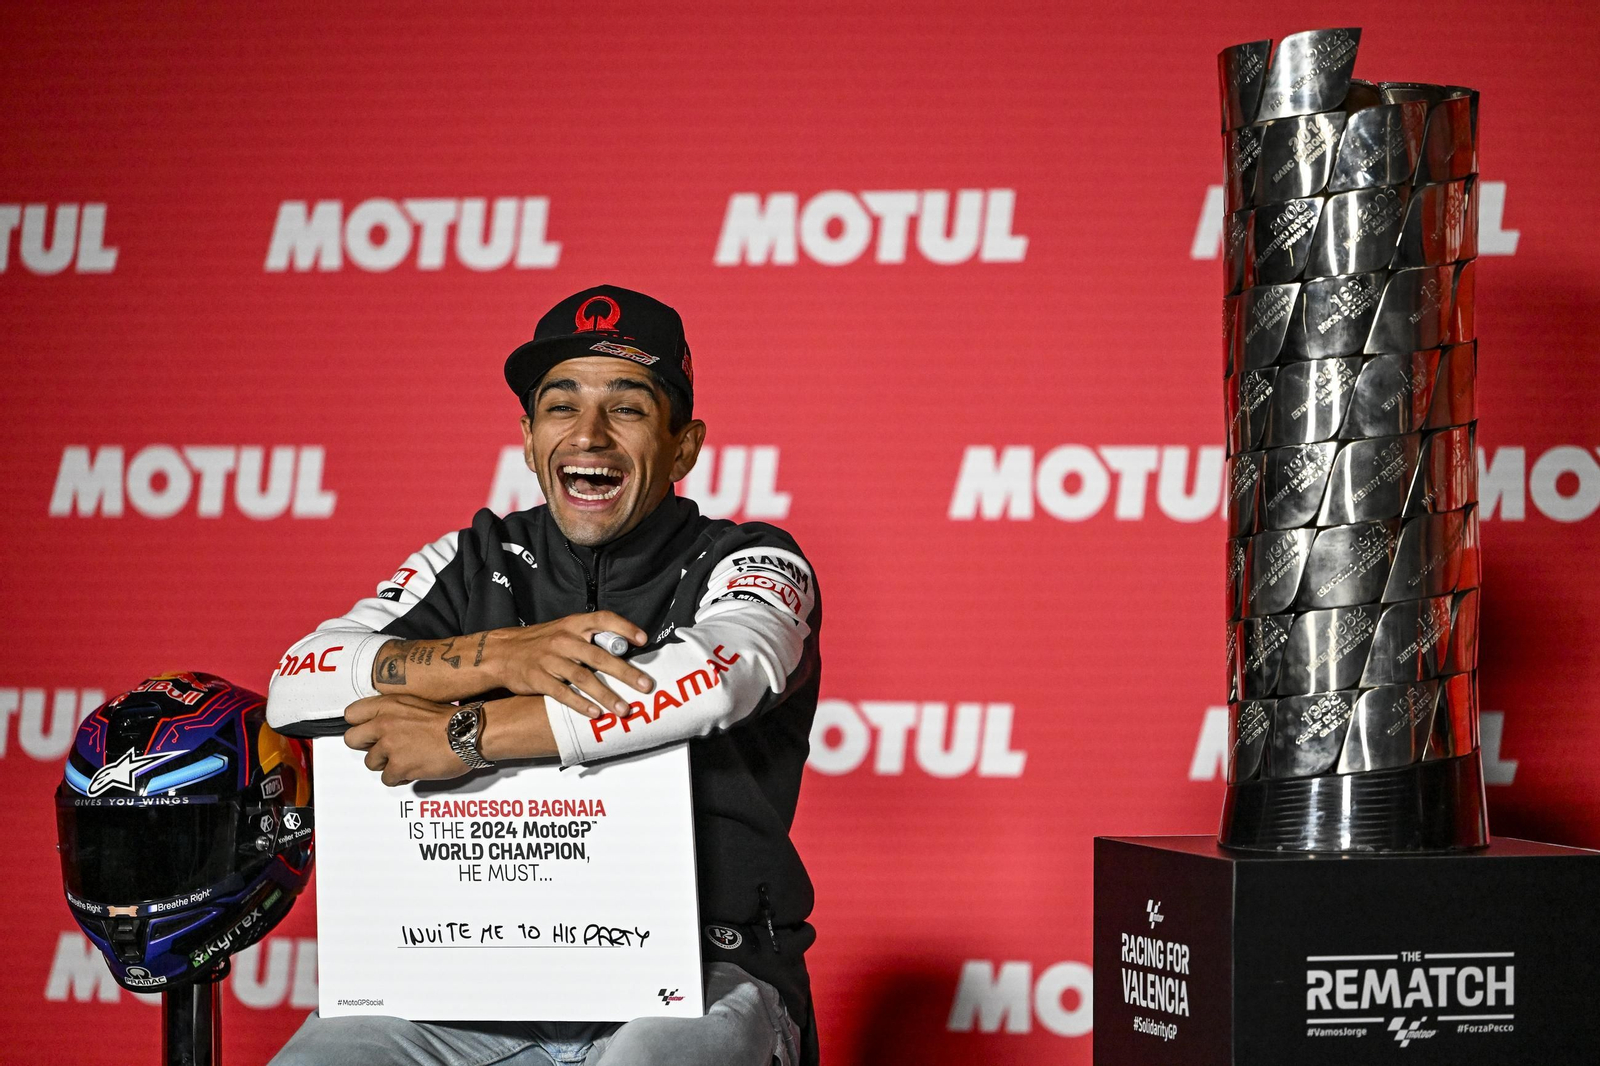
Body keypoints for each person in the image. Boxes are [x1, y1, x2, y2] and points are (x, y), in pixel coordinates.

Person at [265, 284, 821, 1066]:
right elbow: (297, 681)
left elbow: (720, 678)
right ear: (528, 439)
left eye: (626, 408)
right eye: (561, 407)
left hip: (703, 976)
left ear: (684, 446)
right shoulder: (469, 560)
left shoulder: (753, 559)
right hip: (469, 982)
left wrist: (469, 734)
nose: (588, 434)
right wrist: (501, 655)